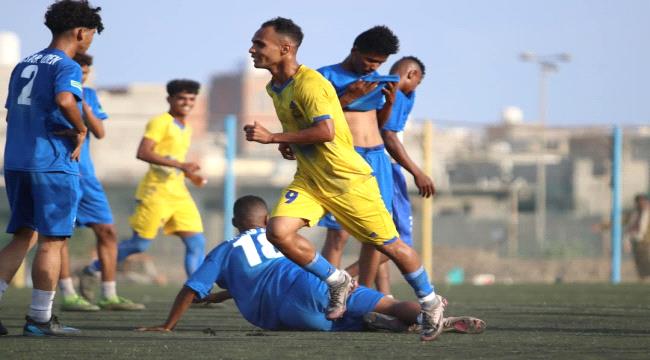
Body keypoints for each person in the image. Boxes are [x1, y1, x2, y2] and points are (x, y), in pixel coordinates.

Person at [244, 17, 446, 341]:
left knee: (388, 245)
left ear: (285, 49)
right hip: (312, 178)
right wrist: (288, 141)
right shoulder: (278, 85)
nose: (252, 49)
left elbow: (326, 130)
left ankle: (429, 301)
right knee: (278, 232)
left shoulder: (310, 83)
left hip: (348, 178)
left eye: (259, 43)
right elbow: (314, 123)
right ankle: (338, 281)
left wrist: (272, 138)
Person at [138, 195, 486, 335]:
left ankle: (381, 324)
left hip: (283, 315)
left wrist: (168, 325)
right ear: (269, 219)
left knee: (348, 328)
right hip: (313, 284)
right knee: (389, 303)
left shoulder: (225, 250)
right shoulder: (279, 237)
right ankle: (428, 315)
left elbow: (191, 288)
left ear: (234, 222)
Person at [0, 0, 103, 336]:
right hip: (52, 164)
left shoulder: (23, 64)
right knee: (52, 241)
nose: (90, 41)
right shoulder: (67, 65)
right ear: (80, 32)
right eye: (91, 35)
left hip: (16, 161)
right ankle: (39, 319)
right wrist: (81, 128)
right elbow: (64, 100)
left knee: (22, 237)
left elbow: (9, 114)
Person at [80, 79, 208, 281]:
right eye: (182, 98)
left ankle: (198, 291)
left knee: (197, 243)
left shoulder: (186, 127)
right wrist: (181, 166)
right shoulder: (160, 122)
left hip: (179, 194)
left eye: (191, 99)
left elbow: (172, 159)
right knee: (139, 245)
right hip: (155, 194)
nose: (187, 103)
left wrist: (190, 174)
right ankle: (95, 267)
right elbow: (143, 152)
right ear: (170, 99)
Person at [56, 53, 144, 311]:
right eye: (78, 71)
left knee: (108, 232)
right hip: (62, 172)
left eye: (85, 72)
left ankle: (108, 293)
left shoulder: (90, 95)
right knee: (58, 236)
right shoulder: (56, 92)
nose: (81, 76)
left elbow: (100, 132)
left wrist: (84, 108)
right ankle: (68, 294)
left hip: (88, 177)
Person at [316, 26, 400, 295]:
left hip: (377, 158)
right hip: (344, 159)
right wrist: (348, 97)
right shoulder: (324, 77)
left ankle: (364, 295)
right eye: (369, 60)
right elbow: (315, 119)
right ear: (354, 50)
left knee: (378, 233)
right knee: (338, 233)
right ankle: (327, 294)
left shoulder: (376, 79)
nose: (372, 67)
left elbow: (380, 123)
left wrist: (388, 102)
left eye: (379, 62)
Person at [345, 56, 435, 294]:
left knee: (378, 235)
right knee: (398, 239)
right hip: (386, 168)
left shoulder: (392, 90)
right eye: (419, 82)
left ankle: (382, 296)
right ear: (413, 75)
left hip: (368, 164)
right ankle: (348, 277)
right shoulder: (391, 93)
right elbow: (389, 137)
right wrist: (417, 172)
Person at [626, 194, 650, 281]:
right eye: (638, 202)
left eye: (643, 202)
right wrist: (602, 226)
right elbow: (618, 220)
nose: (641, 204)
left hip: (647, 243)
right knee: (640, 263)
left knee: (646, 261)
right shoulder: (634, 214)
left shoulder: (647, 213)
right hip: (637, 242)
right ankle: (643, 280)